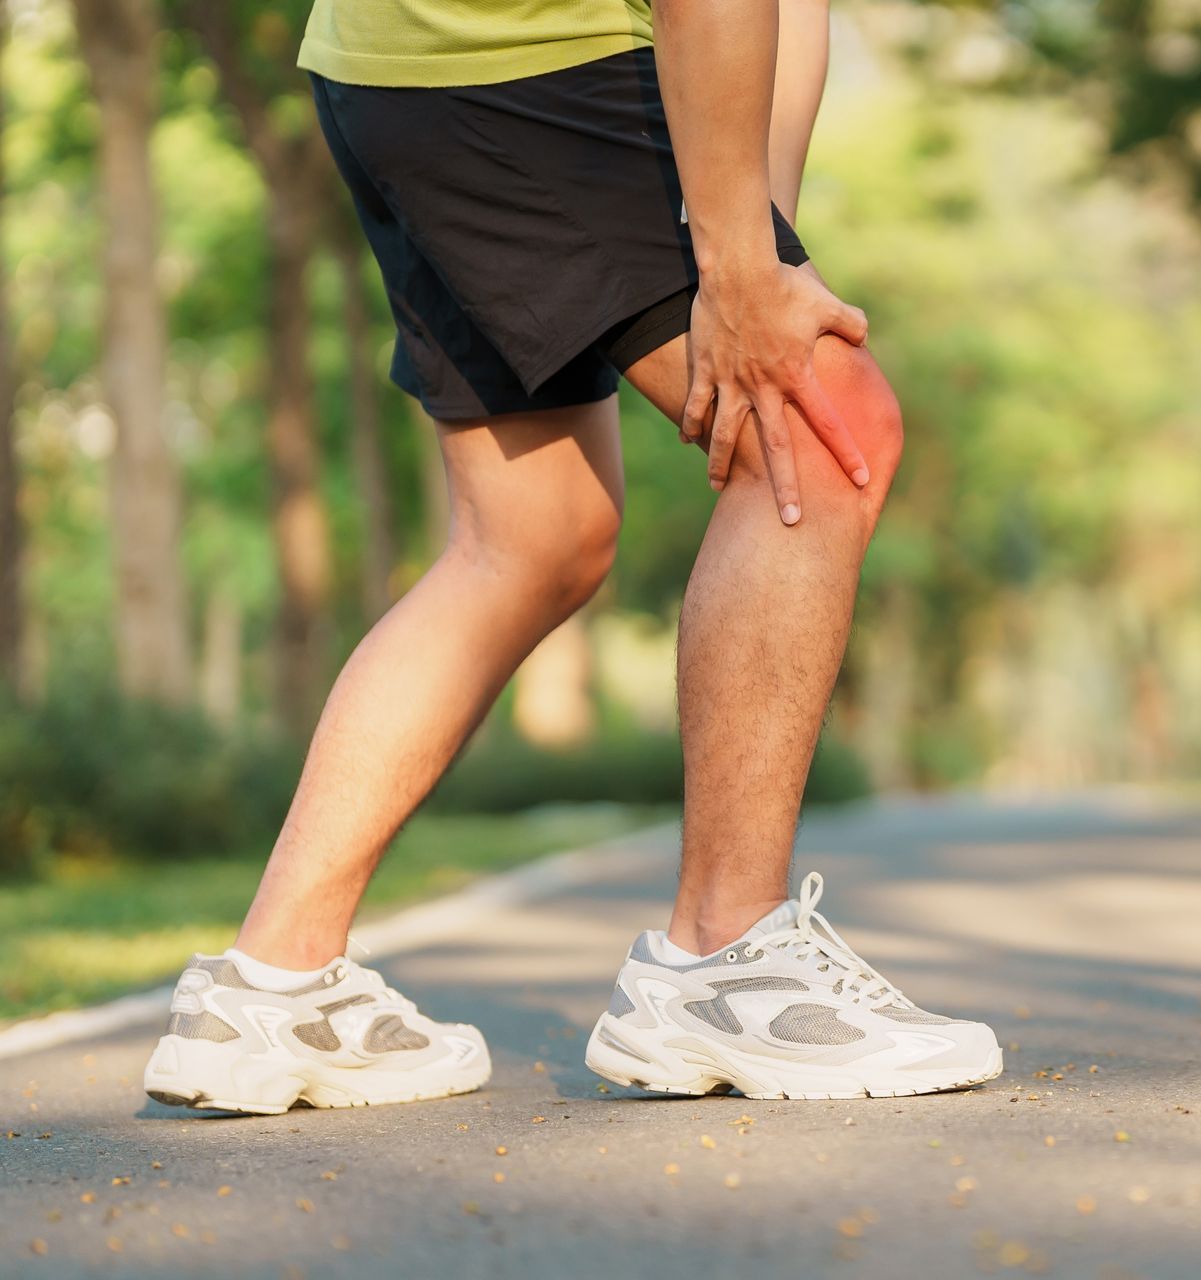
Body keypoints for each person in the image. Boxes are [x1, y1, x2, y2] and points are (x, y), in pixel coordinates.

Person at [141, 0, 1002, 1113]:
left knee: (534, 535)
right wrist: (738, 266)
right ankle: (723, 959)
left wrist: (766, 251)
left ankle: (271, 986)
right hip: (527, 60)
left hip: (400, 71)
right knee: (828, 430)